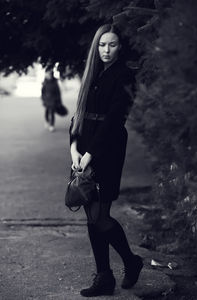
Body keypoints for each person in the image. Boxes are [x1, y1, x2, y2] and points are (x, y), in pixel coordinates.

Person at [69, 24, 143, 297]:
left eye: (112, 44)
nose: (106, 50)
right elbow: (79, 115)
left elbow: (113, 122)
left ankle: (131, 262)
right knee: (92, 218)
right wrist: (74, 149)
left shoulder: (125, 76)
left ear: (120, 47)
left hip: (107, 151)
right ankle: (105, 277)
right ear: (96, 46)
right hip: (84, 149)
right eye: (102, 44)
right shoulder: (92, 73)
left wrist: (89, 156)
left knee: (100, 217)